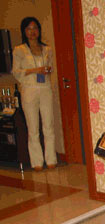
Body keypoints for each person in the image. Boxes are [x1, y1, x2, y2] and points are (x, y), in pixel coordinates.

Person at [12, 17, 56, 171]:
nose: (33, 32)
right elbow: (16, 72)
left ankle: (51, 159)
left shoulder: (47, 49)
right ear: (24, 31)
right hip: (29, 90)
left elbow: (50, 68)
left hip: (45, 88)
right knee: (33, 128)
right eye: (29, 29)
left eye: (35, 28)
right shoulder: (19, 50)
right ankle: (37, 162)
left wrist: (47, 70)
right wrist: (35, 70)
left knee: (48, 125)